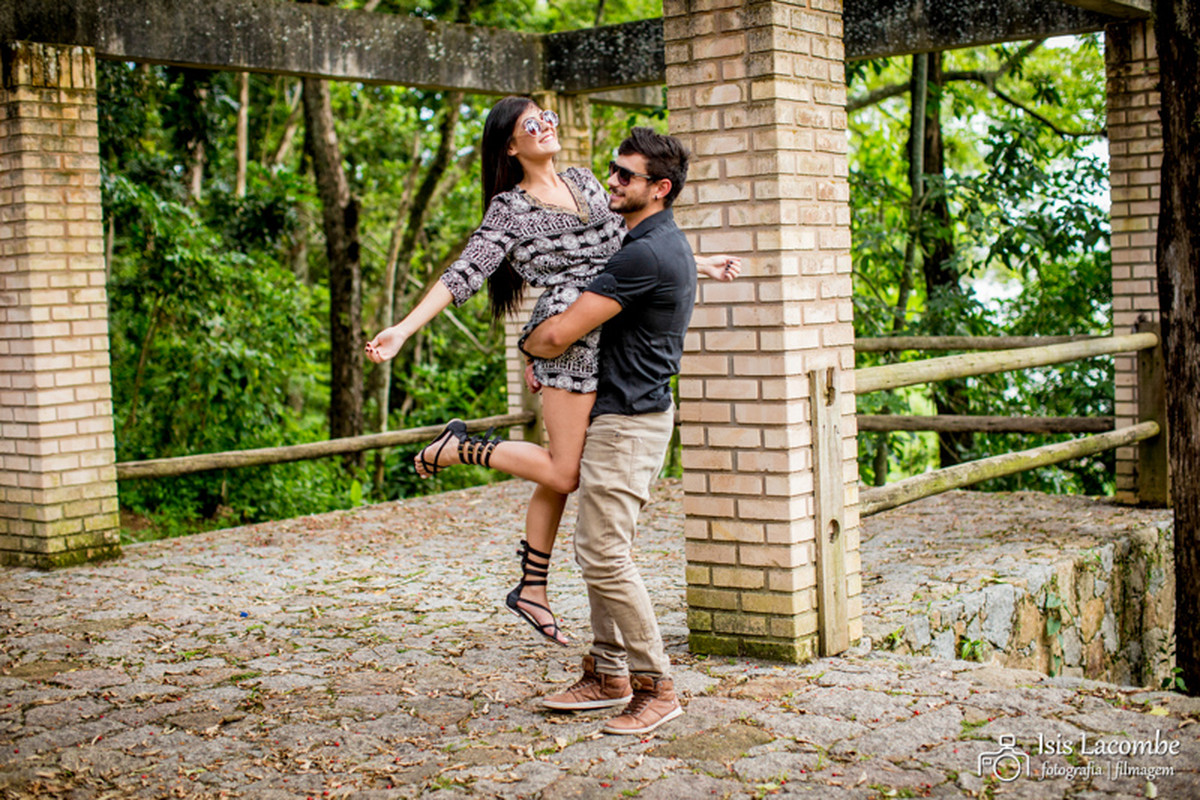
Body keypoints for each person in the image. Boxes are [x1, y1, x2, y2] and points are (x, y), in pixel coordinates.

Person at [365, 96, 738, 647]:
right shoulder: (509, 209)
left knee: (561, 470)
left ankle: (533, 586)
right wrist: (404, 327)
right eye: (529, 125)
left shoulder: (586, 181)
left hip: (602, 323)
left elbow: (627, 245)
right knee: (565, 472)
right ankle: (459, 448)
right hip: (565, 337)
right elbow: (466, 272)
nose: (545, 127)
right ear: (511, 146)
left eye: (548, 117)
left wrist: (697, 262)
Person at [522, 126, 697, 735]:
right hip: (620, 415)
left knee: (603, 552)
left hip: (630, 423)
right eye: (613, 171)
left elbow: (557, 333)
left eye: (626, 175)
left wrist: (532, 347)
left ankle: (656, 685)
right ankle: (607, 672)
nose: (613, 182)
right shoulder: (650, 240)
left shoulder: (644, 253)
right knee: (598, 550)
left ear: (660, 188)